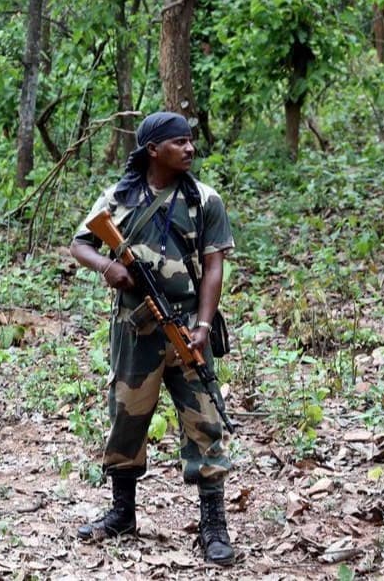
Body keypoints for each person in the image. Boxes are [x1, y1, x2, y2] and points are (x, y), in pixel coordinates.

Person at [68, 111, 236, 566]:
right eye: (178, 142)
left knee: (204, 420)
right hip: (134, 329)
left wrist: (202, 326)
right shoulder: (118, 197)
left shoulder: (204, 200)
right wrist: (109, 267)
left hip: (184, 326)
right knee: (126, 418)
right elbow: (80, 243)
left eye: (190, 141)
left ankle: (213, 526)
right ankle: (122, 512)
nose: (189, 148)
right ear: (152, 150)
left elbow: (215, 266)